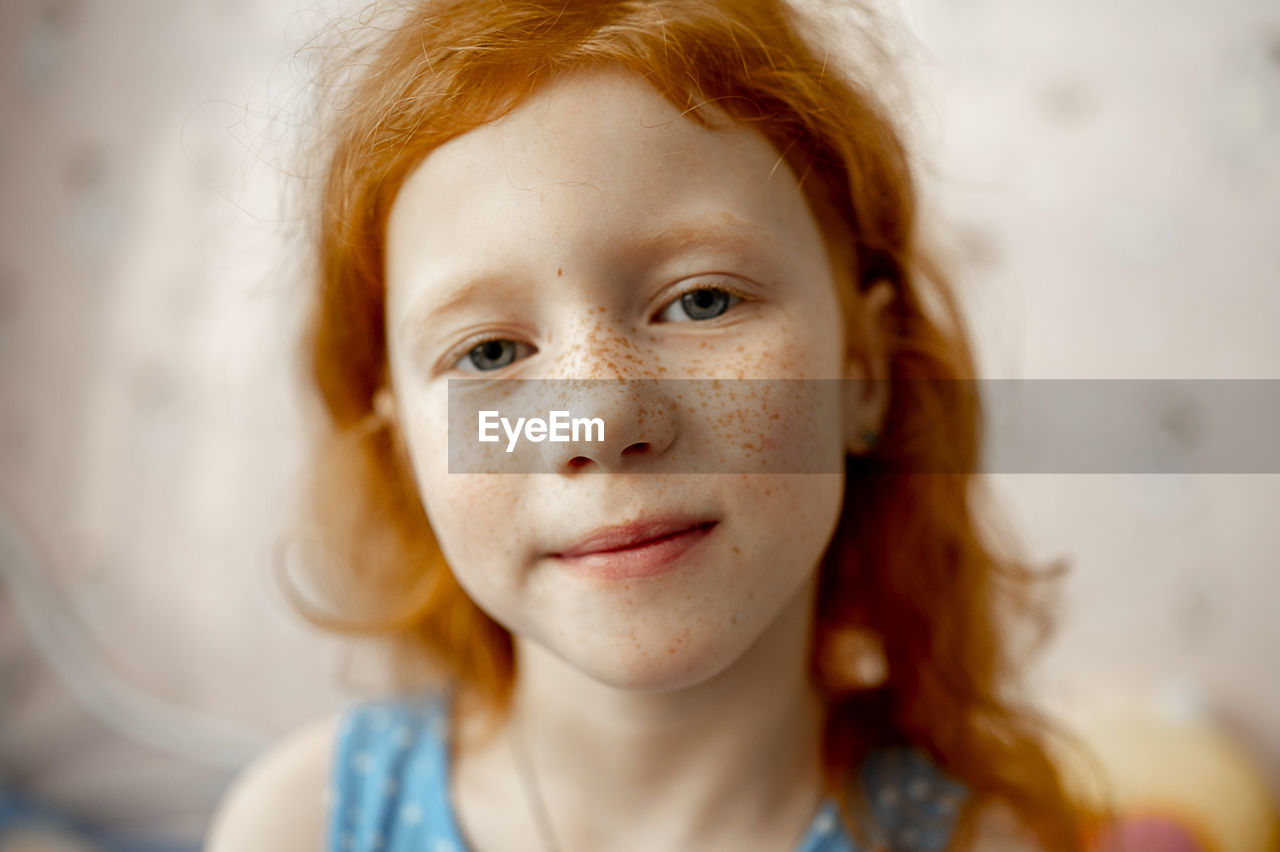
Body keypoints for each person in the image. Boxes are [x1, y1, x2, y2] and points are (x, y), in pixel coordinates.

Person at [207, 0, 1091, 849]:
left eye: (701, 301)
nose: (598, 420)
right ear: (405, 446)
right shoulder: (298, 830)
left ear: (862, 373)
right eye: (486, 355)